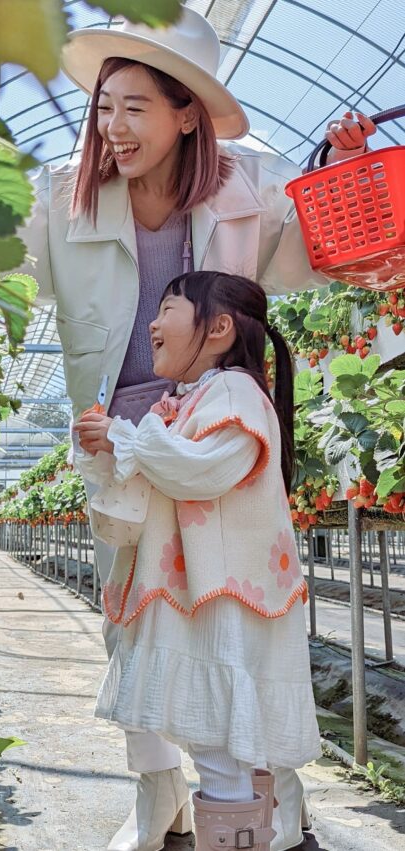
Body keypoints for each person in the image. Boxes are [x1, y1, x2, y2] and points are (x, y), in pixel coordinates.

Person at [17, 8, 374, 850]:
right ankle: (159, 797)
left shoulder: (248, 185)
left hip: (216, 433)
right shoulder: (61, 194)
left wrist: (346, 165)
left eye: (135, 107)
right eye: (105, 107)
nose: (113, 128)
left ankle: (273, 797)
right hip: (124, 442)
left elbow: (324, 249)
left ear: (187, 113)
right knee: (132, 617)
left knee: (243, 611)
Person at [73, 270, 322, 851]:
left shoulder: (234, 391)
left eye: (167, 310)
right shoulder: (199, 398)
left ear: (217, 328)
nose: (153, 325)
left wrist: (125, 439)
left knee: (224, 750)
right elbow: (153, 493)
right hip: (206, 597)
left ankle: (245, 836)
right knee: (228, 746)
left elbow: (201, 470)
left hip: (222, 600)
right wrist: (111, 449)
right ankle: (259, 835)